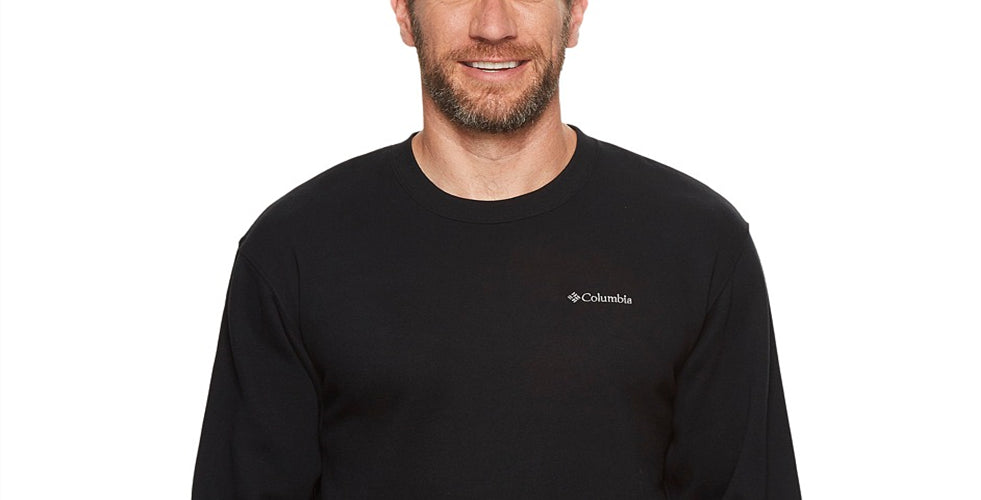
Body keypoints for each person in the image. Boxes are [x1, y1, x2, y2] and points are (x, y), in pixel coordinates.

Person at [192, 0, 802, 498]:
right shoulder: (295, 251)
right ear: (404, 14)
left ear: (575, 13)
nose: (493, 25)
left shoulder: (696, 244)